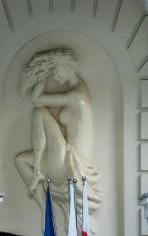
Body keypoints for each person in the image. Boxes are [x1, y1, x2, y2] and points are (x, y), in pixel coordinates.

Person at [14, 47, 102, 219]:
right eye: (52, 71)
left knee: (39, 112)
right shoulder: (80, 90)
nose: (54, 75)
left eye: (55, 69)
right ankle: (46, 210)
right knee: (20, 160)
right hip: (62, 161)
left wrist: (43, 73)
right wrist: (45, 71)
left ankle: (37, 170)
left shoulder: (77, 97)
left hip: (69, 163)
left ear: (69, 67)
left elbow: (36, 99)